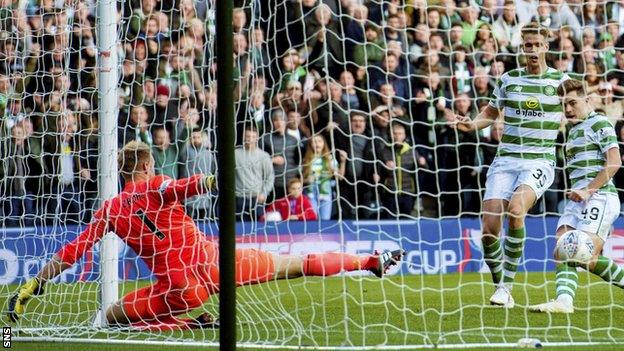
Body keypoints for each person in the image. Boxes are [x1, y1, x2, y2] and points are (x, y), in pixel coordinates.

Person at [7, 141, 404, 329]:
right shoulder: (158, 184)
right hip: (216, 262)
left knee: (109, 317)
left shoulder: (110, 211)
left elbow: (73, 252)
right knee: (296, 264)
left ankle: (183, 323)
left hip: (179, 290)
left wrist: (34, 283)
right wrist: (210, 179)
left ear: (122, 169)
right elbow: (180, 188)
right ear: (145, 165)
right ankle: (367, 262)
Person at [452, 22, 570, 308]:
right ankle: (500, 286)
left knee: (516, 210)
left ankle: (506, 286)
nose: (531, 50)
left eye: (536, 45)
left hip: (539, 160)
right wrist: (472, 125)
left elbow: (577, 112)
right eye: (527, 45)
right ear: (522, 47)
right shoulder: (508, 79)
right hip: (505, 160)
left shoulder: (561, 82)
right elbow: (491, 112)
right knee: (489, 226)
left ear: (546, 46)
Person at [529, 79, 623, 313]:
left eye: (572, 103)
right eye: (564, 105)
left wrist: (587, 189)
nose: (568, 109)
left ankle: (564, 302)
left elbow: (615, 162)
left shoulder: (599, 122)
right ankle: (563, 301)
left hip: (600, 196)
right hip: (578, 200)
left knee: (579, 249)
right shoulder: (572, 131)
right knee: (564, 247)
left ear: (587, 99)